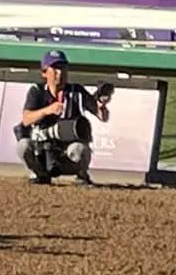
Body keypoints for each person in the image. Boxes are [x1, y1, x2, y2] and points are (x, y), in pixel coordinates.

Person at [14, 49, 111, 185]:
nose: (60, 73)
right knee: (23, 146)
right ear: (44, 72)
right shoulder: (37, 91)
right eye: (55, 68)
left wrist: (101, 106)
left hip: (66, 151)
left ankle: (81, 174)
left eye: (63, 68)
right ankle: (40, 174)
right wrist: (47, 110)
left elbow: (102, 116)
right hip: (42, 149)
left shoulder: (77, 91)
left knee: (80, 149)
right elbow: (26, 119)